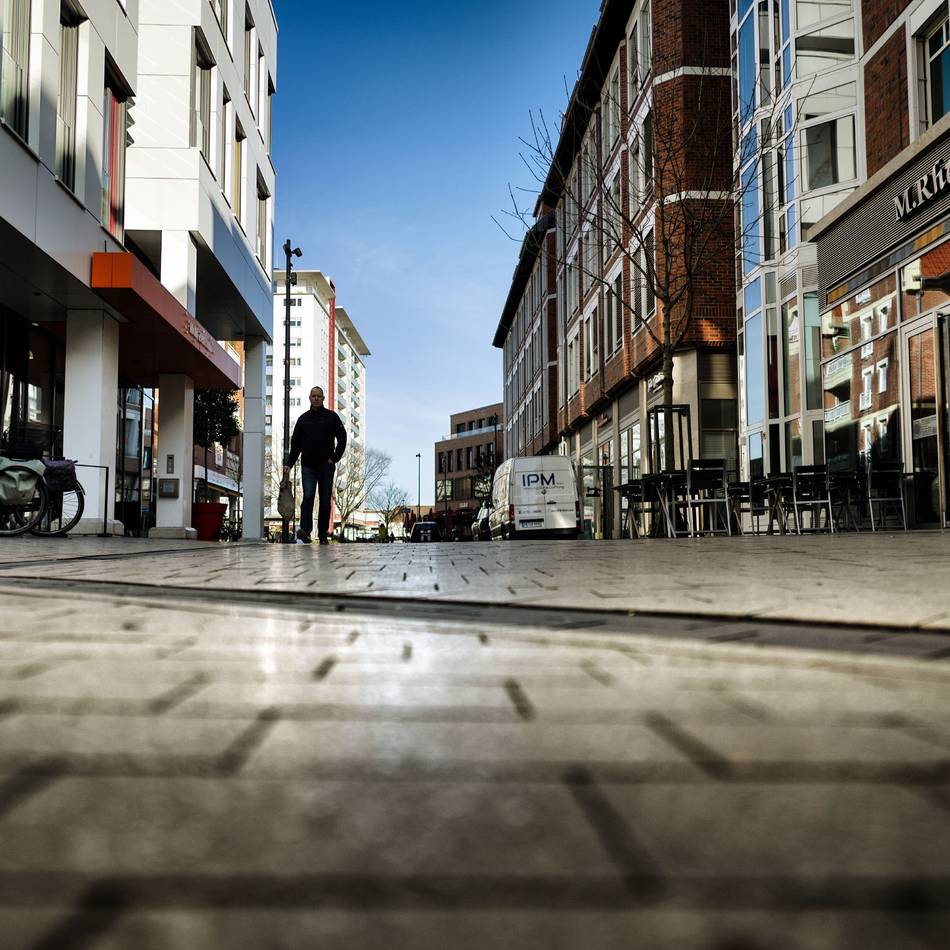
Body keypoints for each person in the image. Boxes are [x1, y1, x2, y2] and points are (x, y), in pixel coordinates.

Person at [283, 386, 347, 544]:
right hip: (308, 466)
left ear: (323, 398)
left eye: (319, 396)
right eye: (313, 396)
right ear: (309, 398)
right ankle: (305, 531)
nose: (316, 398)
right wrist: (289, 464)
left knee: (325, 500)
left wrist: (335, 457)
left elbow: (342, 437)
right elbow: (296, 444)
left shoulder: (332, 417)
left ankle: (323, 534)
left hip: (326, 465)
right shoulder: (303, 419)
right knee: (308, 498)